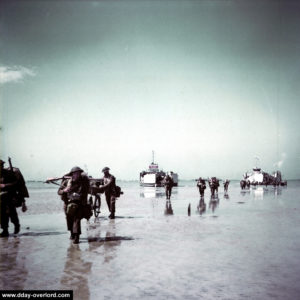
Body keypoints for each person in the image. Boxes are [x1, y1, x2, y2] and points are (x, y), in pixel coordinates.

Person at [58, 166, 89, 244]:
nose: (77, 175)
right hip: (67, 203)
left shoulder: (83, 182)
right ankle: (72, 233)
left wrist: (78, 195)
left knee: (77, 219)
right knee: (69, 218)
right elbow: (59, 191)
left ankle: (76, 236)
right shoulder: (66, 182)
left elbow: (85, 192)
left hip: (79, 203)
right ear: (72, 174)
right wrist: (64, 190)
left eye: (78, 173)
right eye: (75, 173)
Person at [0, 159, 26, 237]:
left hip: (10, 196)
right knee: (2, 214)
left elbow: (16, 184)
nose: (1, 167)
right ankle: (5, 230)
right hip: (1, 198)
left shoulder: (8, 174)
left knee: (12, 213)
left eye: (2, 165)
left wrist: (5, 185)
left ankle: (16, 225)